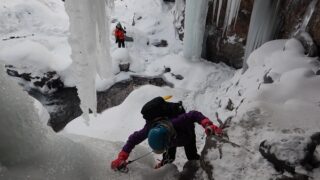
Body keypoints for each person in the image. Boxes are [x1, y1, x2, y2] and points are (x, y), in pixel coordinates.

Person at [111, 96, 223, 170]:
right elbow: (133, 139)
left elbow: (193, 114)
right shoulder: (150, 128)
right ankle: (164, 165)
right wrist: (121, 157)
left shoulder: (176, 121)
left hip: (186, 134)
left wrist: (207, 124)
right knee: (168, 160)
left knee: (191, 156)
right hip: (170, 139)